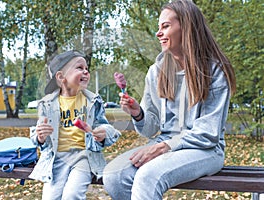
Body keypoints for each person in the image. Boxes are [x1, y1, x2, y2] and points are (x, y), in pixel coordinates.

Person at [103, 0, 236, 199]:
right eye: (159, 27)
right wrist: (138, 114)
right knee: (115, 176)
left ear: (187, 27)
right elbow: (151, 129)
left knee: (148, 176)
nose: (159, 33)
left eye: (165, 26)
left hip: (206, 149)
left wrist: (166, 147)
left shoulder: (214, 71)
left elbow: (208, 133)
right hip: (165, 142)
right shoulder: (156, 72)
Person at [29, 50, 121, 200]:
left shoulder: (92, 101)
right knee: (50, 198)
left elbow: (104, 126)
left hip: (83, 156)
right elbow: (40, 139)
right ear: (61, 77)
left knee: (72, 195)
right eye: (79, 68)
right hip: (56, 158)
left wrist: (102, 132)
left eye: (87, 69)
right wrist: (40, 137)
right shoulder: (47, 104)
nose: (85, 72)